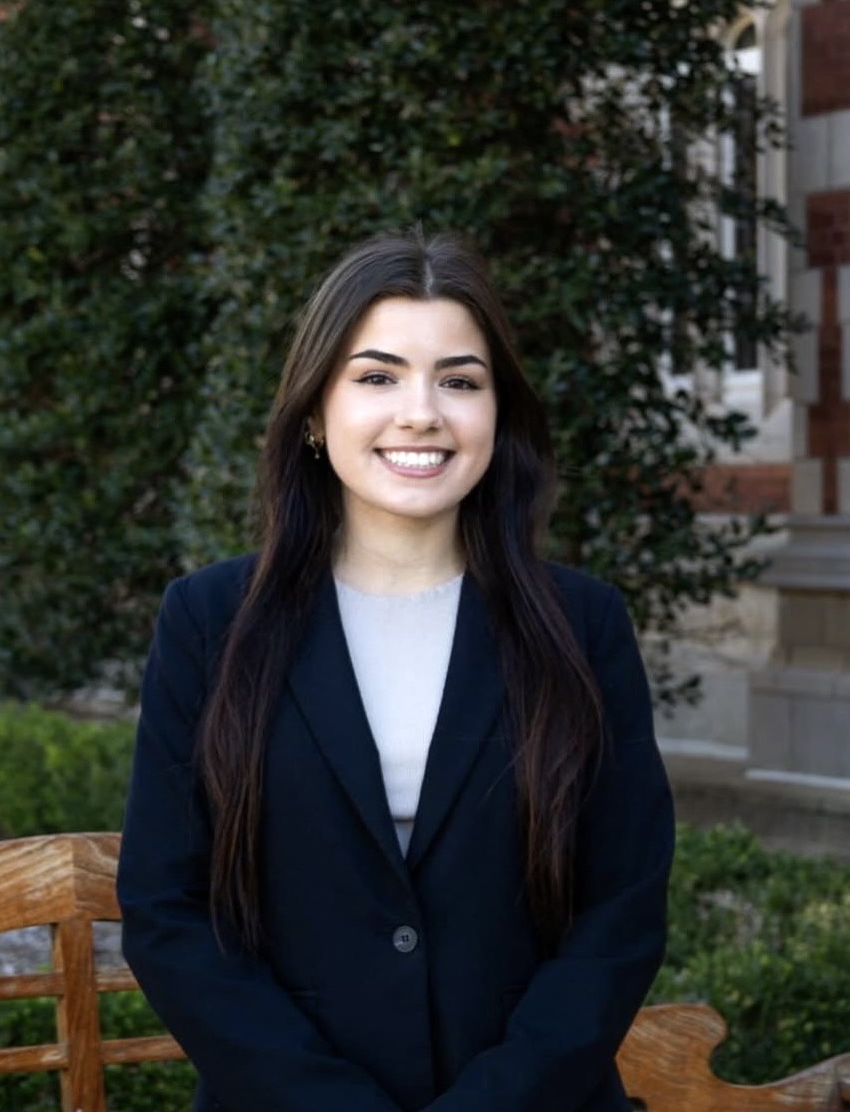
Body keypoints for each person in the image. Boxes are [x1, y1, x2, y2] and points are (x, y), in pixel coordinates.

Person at [117, 228, 675, 1112]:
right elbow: (167, 909)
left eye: (459, 381)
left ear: (498, 415)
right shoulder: (210, 621)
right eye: (376, 378)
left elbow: (621, 911)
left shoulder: (582, 624)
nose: (421, 413)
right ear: (313, 412)